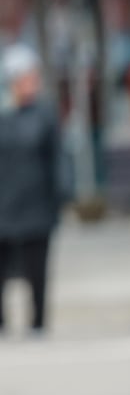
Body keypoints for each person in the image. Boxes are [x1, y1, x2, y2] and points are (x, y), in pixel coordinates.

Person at [0, 43, 65, 337]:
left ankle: (37, 323)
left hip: (36, 205)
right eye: (26, 77)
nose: (32, 82)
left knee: (37, 271)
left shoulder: (44, 115)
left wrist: (61, 196)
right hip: (4, 205)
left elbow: (57, 159)